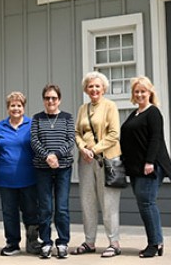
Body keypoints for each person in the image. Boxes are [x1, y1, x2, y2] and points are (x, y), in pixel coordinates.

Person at [120, 76, 171, 258]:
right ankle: (155, 241)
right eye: (136, 91)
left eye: (143, 91)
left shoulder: (153, 112)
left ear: (150, 92)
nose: (139, 94)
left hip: (150, 167)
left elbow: (156, 138)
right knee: (144, 203)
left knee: (147, 203)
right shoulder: (135, 113)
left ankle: (155, 243)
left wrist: (150, 162)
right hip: (136, 168)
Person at [73, 71, 122, 258]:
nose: (94, 89)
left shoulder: (110, 106)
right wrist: (83, 147)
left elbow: (114, 134)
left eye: (97, 86)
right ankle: (89, 241)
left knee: (108, 202)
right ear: (86, 89)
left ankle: (114, 242)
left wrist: (94, 150)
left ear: (103, 89)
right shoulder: (82, 109)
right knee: (87, 202)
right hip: (85, 160)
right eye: (90, 86)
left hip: (106, 160)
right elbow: (77, 132)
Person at [0, 91, 41, 256]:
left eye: (19, 105)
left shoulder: (32, 125)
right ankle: (12, 243)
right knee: (9, 212)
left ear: (23, 107)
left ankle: (33, 241)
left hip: (29, 177)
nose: (16, 108)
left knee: (31, 211)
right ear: (8, 108)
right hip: (5, 178)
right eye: (12, 105)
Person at [30, 84, 75, 259]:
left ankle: (63, 242)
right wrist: (47, 157)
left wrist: (55, 155)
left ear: (59, 100)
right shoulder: (37, 118)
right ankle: (46, 242)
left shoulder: (67, 118)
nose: (50, 101)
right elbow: (34, 141)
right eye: (47, 98)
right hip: (42, 169)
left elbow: (70, 140)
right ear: (43, 100)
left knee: (62, 207)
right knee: (45, 208)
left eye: (54, 98)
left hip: (63, 168)